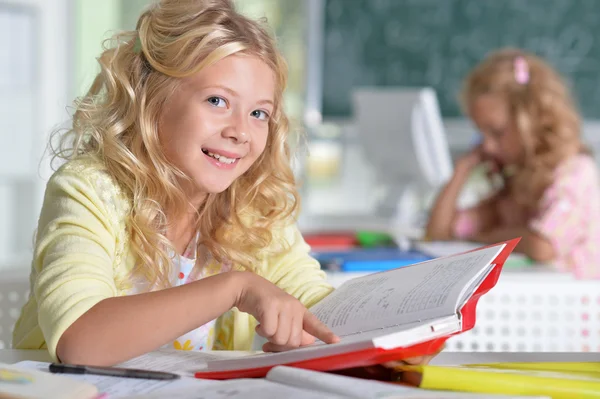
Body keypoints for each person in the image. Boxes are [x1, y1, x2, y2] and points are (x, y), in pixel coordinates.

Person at [13, 0, 437, 371]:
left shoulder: (251, 207)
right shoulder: (91, 189)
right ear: (153, 100)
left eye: (259, 114)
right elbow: (80, 342)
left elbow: (314, 303)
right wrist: (235, 287)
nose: (240, 131)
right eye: (217, 101)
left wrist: (400, 333)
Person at [426, 48, 600, 279]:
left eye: (497, 133)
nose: (486, 146)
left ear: (532, 122)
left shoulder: (576, 171)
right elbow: (439, 232)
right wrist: (462, 169)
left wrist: (489, 236)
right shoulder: (515, 179)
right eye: (481, 133)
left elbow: (543, 245)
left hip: (577, 308)